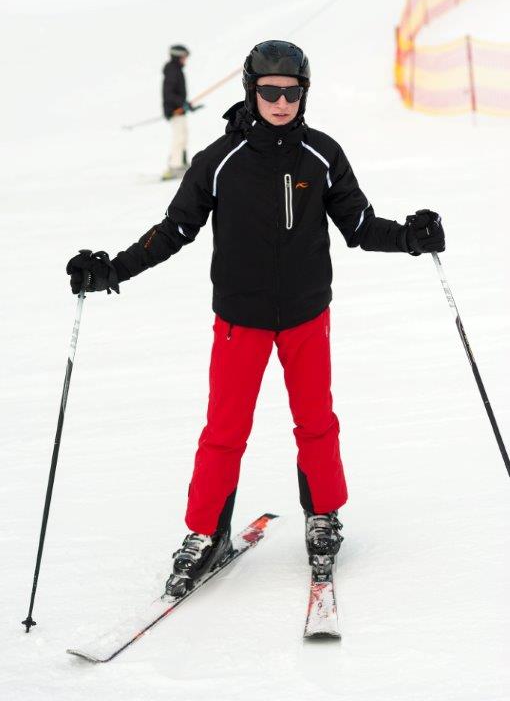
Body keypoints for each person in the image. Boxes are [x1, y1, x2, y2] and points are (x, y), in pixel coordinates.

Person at [67, 40, 445, 597]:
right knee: (224, 430)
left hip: (305, 315)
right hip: (239, 319)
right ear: (252, 90)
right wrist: (113, 268)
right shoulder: (219, 160)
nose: (281, 101)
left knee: (316, 421)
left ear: (304, 93)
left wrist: (412, 238)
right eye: (270, 91)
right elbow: (174, 231)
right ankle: (206, 534)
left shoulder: (322, 155)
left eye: (292, 91)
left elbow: (361, 227)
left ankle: (323, 516)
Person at [161, 44, 194, 181]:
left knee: (183, 136)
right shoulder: (173, 71)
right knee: (179, 138)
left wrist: (186, 105)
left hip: (178, 109)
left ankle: (181, 162)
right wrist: (182, 103)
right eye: (184, 57)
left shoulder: (176, 70)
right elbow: (169, 94)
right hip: (174, 110)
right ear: (178, 56)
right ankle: (175, 167)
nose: (185, 60)